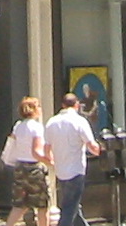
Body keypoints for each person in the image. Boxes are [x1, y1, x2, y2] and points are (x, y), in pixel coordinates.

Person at [45, 93, 100, 226]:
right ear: (76, 105)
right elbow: (92, 145)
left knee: (72, 203)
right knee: (70, 206)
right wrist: (98, 150)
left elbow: (46, 148)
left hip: (61, 170)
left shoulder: (51, 122)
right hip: (76, 170)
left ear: (63, 105)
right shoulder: (80, 121)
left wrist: (51, 161)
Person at [4, 97, 51, 226]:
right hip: (34, 169)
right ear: (34, 110)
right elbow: (36, 152)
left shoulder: (18, 126)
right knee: (42, 205)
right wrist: (50, 161)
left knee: (19, 204)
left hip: (20, 167)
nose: (41, 109)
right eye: (39, 106)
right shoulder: (36, 127)